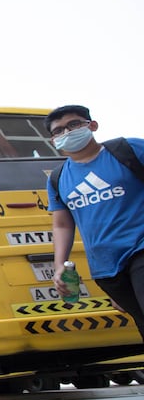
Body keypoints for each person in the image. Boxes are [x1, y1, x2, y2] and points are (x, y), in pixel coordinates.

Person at [45, 104, 144, 341]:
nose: (66, 132)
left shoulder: (129, 149)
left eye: (74, 124)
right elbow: (62, 224)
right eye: (58, 130)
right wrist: (59, 265)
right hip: (107, 268)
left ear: (92, 126)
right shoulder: (58, 178)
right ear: (53, 140)